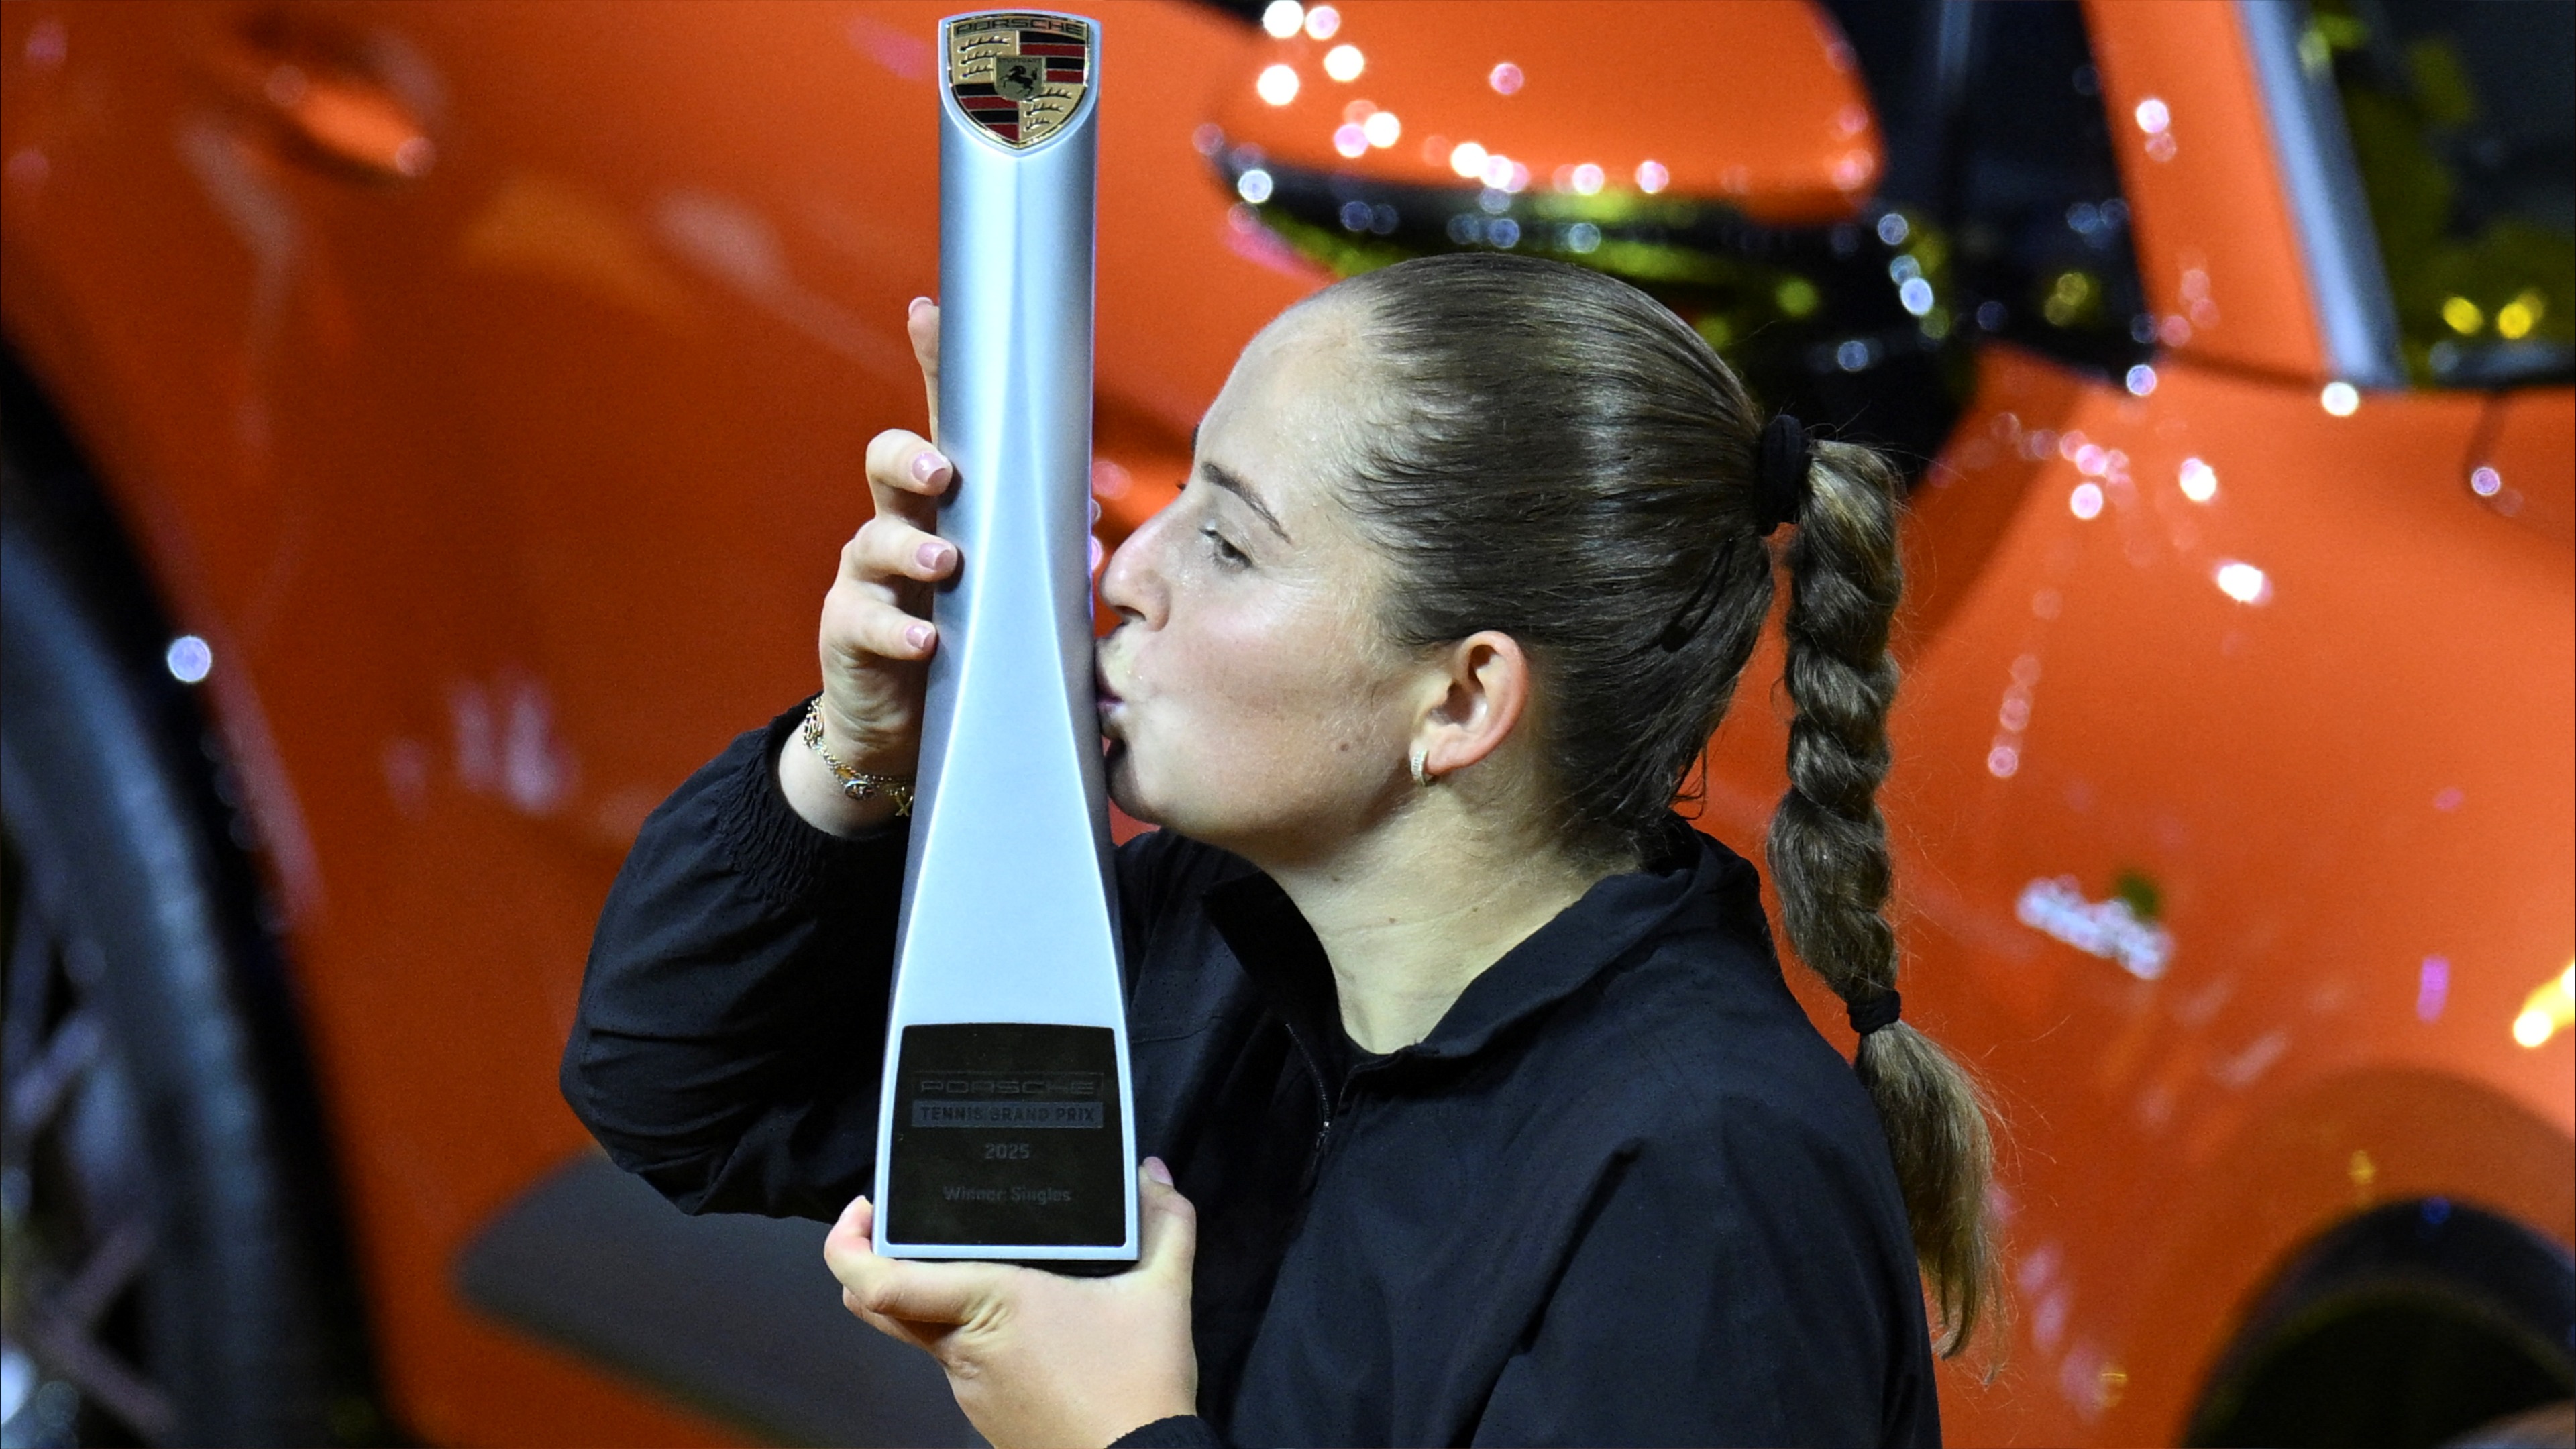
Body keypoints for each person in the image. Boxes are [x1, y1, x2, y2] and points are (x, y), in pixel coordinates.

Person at [563, 252, 1998, 1448]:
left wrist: (1112, 1438)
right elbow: (684, 1093)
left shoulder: (1707, 1193)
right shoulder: (1217, 937)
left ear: (1461, 701)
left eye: (1230, 544)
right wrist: (860, 749)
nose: (1127, 571)